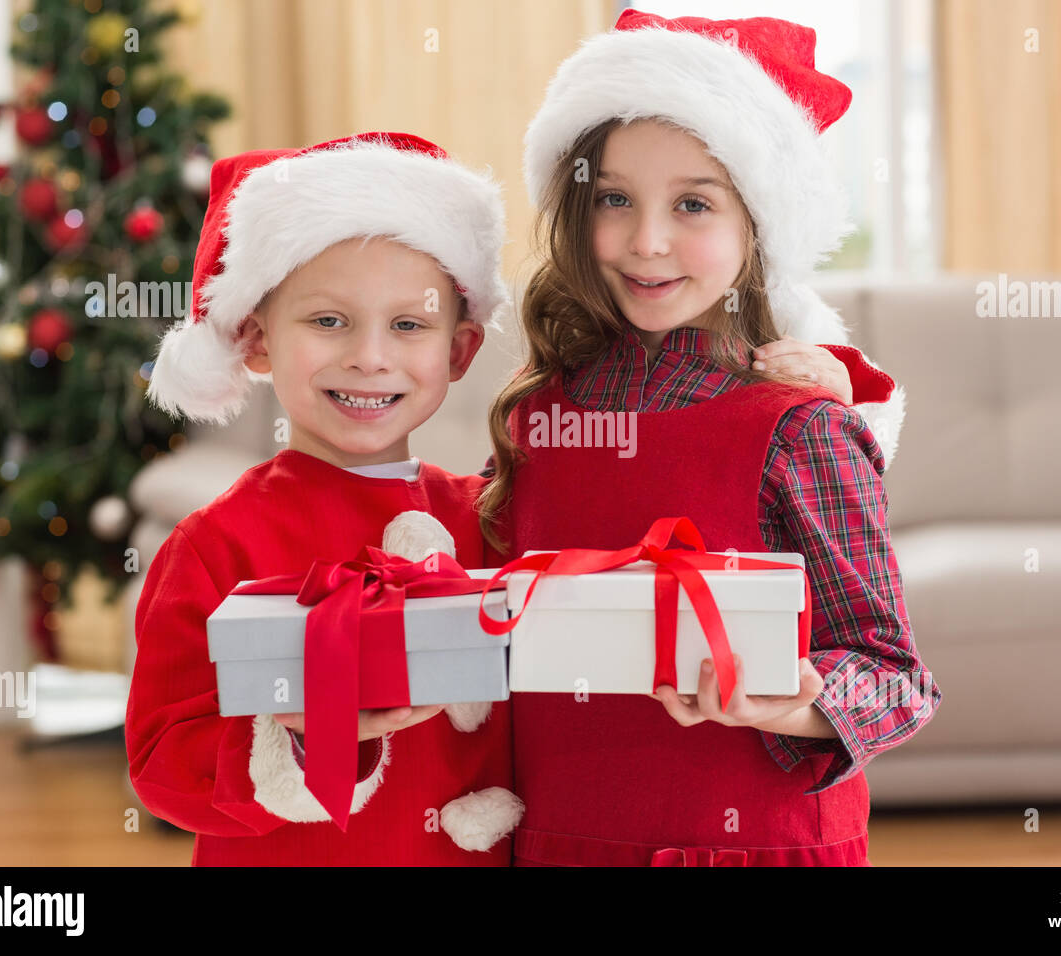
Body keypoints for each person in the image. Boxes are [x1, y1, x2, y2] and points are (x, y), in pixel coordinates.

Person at [477, 10, 942, 866]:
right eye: (614, 199)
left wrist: (791, 699)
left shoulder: (803, 428)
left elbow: (896, 680)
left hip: (756, 845)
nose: (647, 241)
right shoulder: (533, 418)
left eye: (693, 203)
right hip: (560, 841)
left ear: (756, 228)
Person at [127, 132, 523, 865]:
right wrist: (303, 737)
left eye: (409, 325)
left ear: (459, 351)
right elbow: (161, 765)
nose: (369, 356)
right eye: (328, 320)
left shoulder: (495, 519)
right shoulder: (217, 544)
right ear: (256, 340)